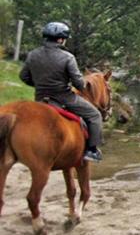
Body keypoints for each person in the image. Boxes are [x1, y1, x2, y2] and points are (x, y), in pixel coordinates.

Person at [19, 22, 103, 162]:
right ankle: (92, 150)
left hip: (40, 98)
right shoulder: (68, 57)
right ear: (60, 39)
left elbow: (23, 76)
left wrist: (39, 85)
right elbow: (79, 84)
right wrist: (79, 82)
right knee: (95, 115)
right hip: (64, 97)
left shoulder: (33, 54)